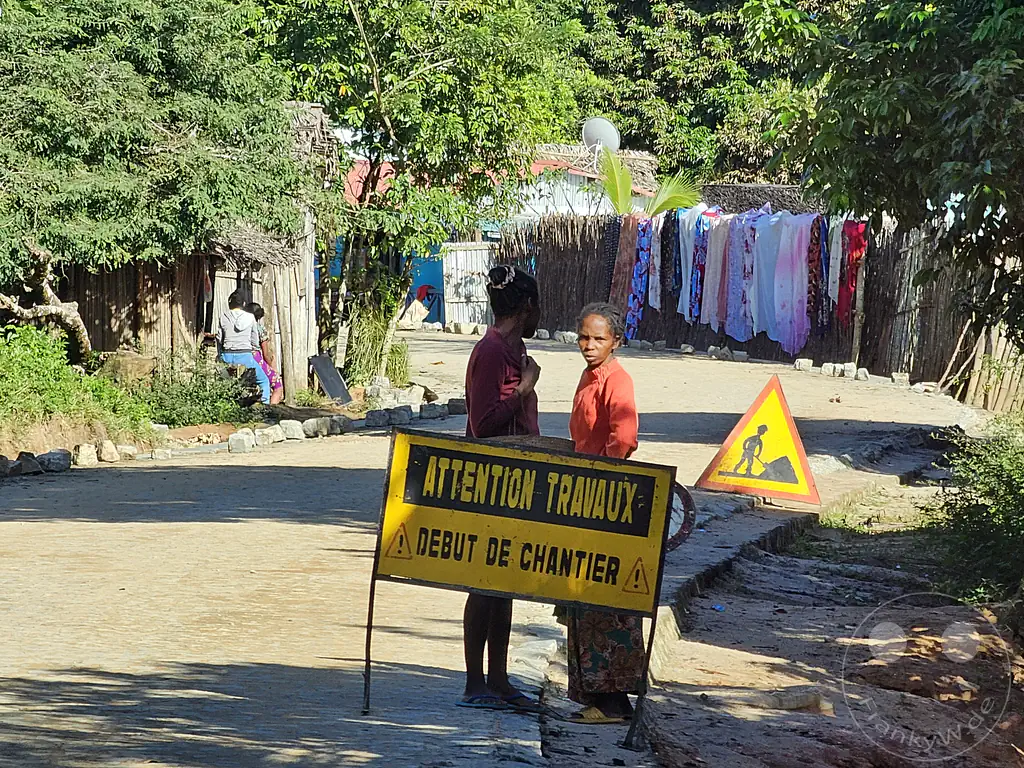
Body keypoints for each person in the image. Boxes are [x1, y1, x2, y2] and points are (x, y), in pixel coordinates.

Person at [459, 265, 544, 713]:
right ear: (525, 307)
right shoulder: (491, 352)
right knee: (483, 583)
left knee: (505, 583)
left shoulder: (515, 348)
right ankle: (476, 682)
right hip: (490, 483)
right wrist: (524, 390)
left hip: (517, 484)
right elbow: (483, 423)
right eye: (536, 306)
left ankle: (500, 679)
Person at [565, 301, 645, 724]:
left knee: (603, 601)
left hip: (603, 501)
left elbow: (624, 438)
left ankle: (613, 701)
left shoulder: (618, 381)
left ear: (616, 341)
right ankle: (598, 698)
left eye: (598, 338)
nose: (589, 345)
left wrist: (604, 487)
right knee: (582, 601)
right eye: (584, 337)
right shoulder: (587, 377)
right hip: (581, 497)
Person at [217, 290, 272, 404]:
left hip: (227, 355)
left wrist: (220, 355)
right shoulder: (250, 317)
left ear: (229, 304)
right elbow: (254, 341)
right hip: (245, 356)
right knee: (264, 381)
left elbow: (219, 338)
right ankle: (265, 409)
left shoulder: (223, 316)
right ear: (243, 304)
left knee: (225, 383)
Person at [246, 303, 285, 405]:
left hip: (242, 357)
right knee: (277, 385)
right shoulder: (260, 329)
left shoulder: (240, 328)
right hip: (256, 359)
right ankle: (271, 410)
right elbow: (265, 354)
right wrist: (272, 368)